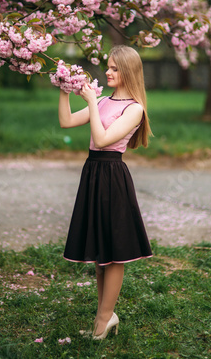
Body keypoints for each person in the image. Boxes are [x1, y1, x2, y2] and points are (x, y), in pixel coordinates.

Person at [58, 45, 153, 340]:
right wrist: (64, 91)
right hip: (93, 174)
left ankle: (103, 320)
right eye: (108, 67)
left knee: (114, 254)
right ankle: (105, 315)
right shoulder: (102, 101)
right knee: (101, 251)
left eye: (114, 68)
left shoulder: (134, 109)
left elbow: (101, 140)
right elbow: (66, 121)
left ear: (127, 72)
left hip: (112, 176)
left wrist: (90, 100)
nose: (108, 72)